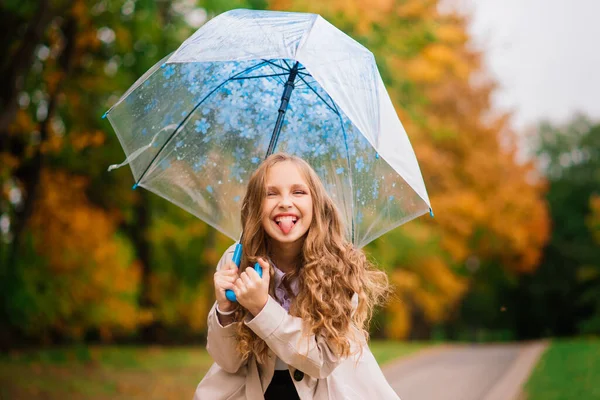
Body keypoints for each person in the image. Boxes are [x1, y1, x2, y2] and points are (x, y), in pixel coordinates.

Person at [194, 153, 400, 399]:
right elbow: (228, 362)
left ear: (317, 204)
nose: (285, 203)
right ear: (256, 207)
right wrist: (225, 310)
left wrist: (262, 308)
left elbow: (321, 362)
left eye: (298, 192)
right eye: (271, 194)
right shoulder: (237, 262)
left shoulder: (339, 268)